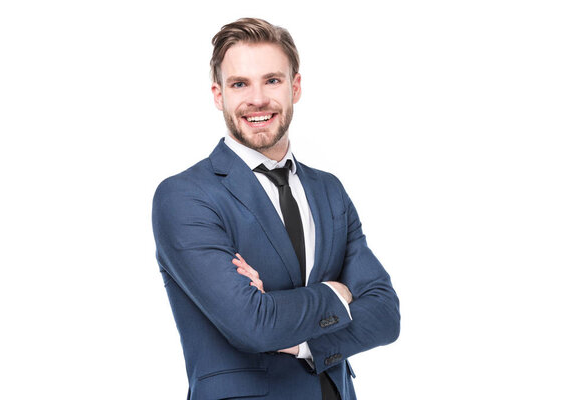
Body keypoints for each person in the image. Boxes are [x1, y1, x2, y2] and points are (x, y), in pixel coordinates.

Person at [152, 17, 400, 400]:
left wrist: (306, 344)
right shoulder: (185, 196)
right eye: (240, 84)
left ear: (294, 87)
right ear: (218, 95)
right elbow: (253, 325)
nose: (257, 99)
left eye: (272, 80)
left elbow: (385, 314)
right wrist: (337, 293)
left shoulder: (329, 190)